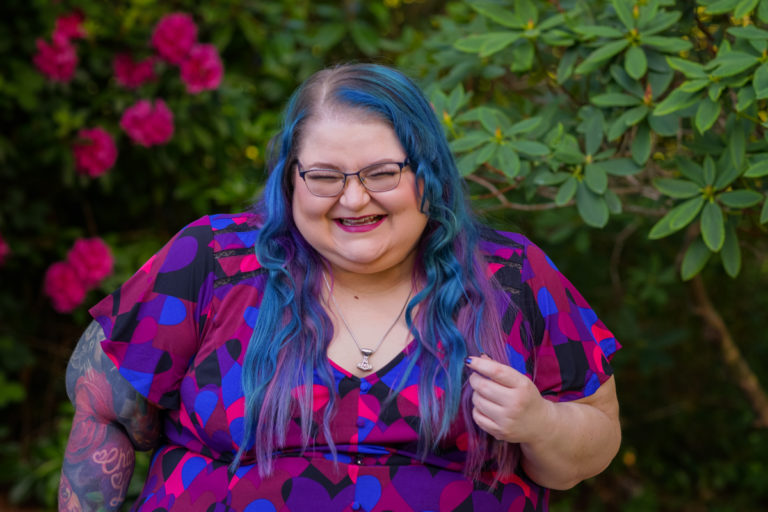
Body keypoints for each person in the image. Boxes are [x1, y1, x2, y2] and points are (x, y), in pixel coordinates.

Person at [59, 63, 621, 512]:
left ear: (429, 172)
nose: (353, 200)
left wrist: (540, 423)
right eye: (325, 176)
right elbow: (101, 406)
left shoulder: (510, 275)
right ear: (291, 179)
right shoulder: (213, 261)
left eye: (381, 174)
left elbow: (591, 446)